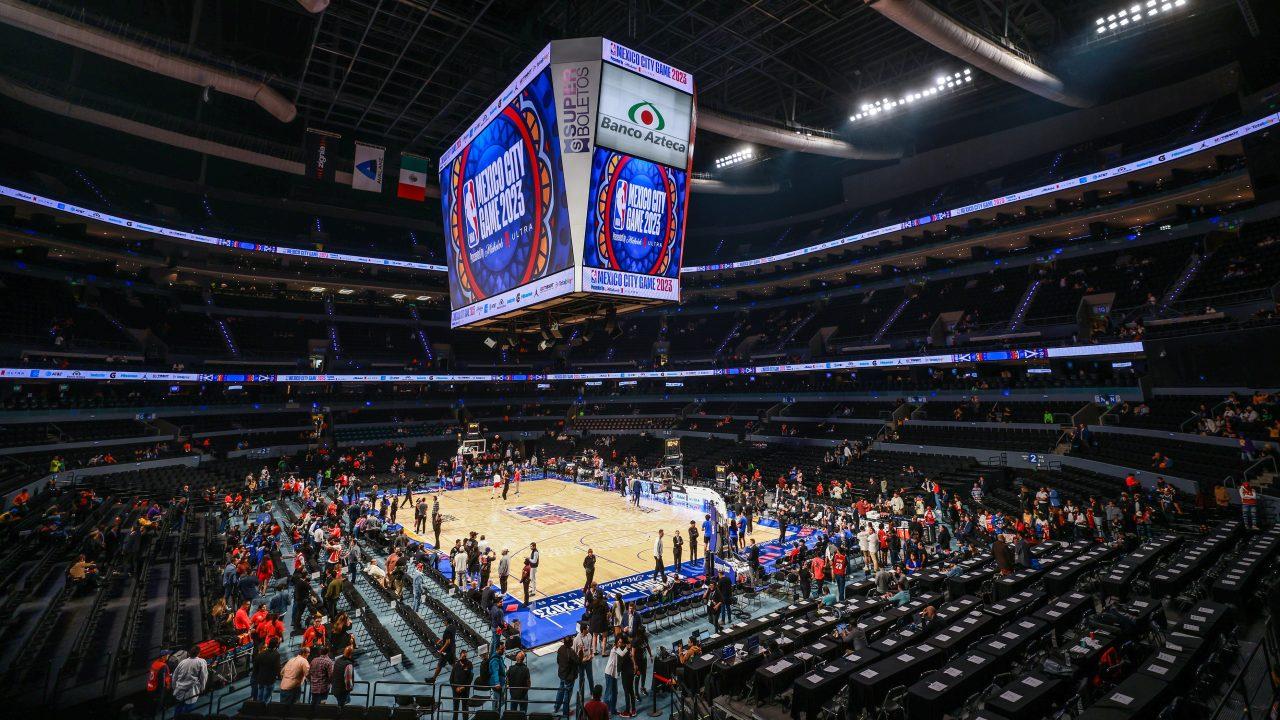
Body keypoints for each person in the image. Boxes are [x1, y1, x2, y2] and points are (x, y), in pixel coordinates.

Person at [171, 645, 209, 714]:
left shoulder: (182, 662)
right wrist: (203, 687)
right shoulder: (201, 662)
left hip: (179, 690)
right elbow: (203, 676)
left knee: (178, 709)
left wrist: (174, 687)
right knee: (187, 711)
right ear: (199, 653)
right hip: (191, 691)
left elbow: (174, 676)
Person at [251, 639, 282, 703]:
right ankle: (264, 709)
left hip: (261, 678)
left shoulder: (261, 653)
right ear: (276, 645)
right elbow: (277, 667)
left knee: (260, 694)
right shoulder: (276, 654)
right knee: (267, 697)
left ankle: (259, 707)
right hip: (270, 679)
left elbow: (256, 666)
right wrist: (279, 676)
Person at [554, 636, 578, 717]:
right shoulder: (571, 652)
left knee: (560, 690)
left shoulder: (560, 649)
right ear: (571, 643)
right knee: (567, 694)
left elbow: (558, 660)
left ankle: (556, 707)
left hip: (562, 674)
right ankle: (565, 712)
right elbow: (577, 662)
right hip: (569, 677)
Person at [450, 650, 474, 720]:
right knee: (455, 708)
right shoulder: (456, 665)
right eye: (463, 656)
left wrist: (464, 687)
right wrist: (455, 688)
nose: (464, 658)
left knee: (465, 707)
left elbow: (470, 678)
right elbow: (451, 679)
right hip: (456, 690)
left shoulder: (470, 664)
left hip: (465, 689)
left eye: (466, 656)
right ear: (460, 656)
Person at [488, 641, 507, 710]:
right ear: (497, 649)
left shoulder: (499, 657)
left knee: (497, 700)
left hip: (500, 683)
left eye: (504, 648)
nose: (503, 650)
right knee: (499, 701)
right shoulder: (495, 660)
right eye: (502, 649)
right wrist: (497, 683)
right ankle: (495, 714)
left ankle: (494, 713)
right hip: (497, 685)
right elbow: (495, 672)